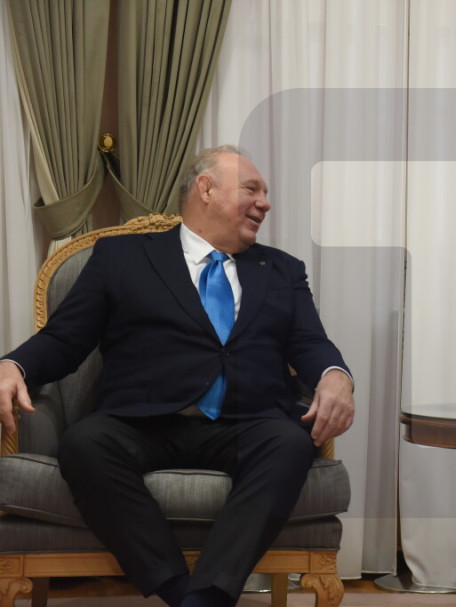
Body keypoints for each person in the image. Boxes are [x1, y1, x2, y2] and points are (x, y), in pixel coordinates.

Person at [0, 145, 355, 607]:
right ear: (206, 189)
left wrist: (335, 374)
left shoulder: (282, 270)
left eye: (265, 194)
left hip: (248, 422)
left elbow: (309, 341)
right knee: (84, 444)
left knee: (290, 443)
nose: (265, 203)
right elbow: (65, 339)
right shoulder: (121, 257)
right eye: (252, 189)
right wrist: (14, 365)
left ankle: (205, 597)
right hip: (141, 421)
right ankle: (180, 590)